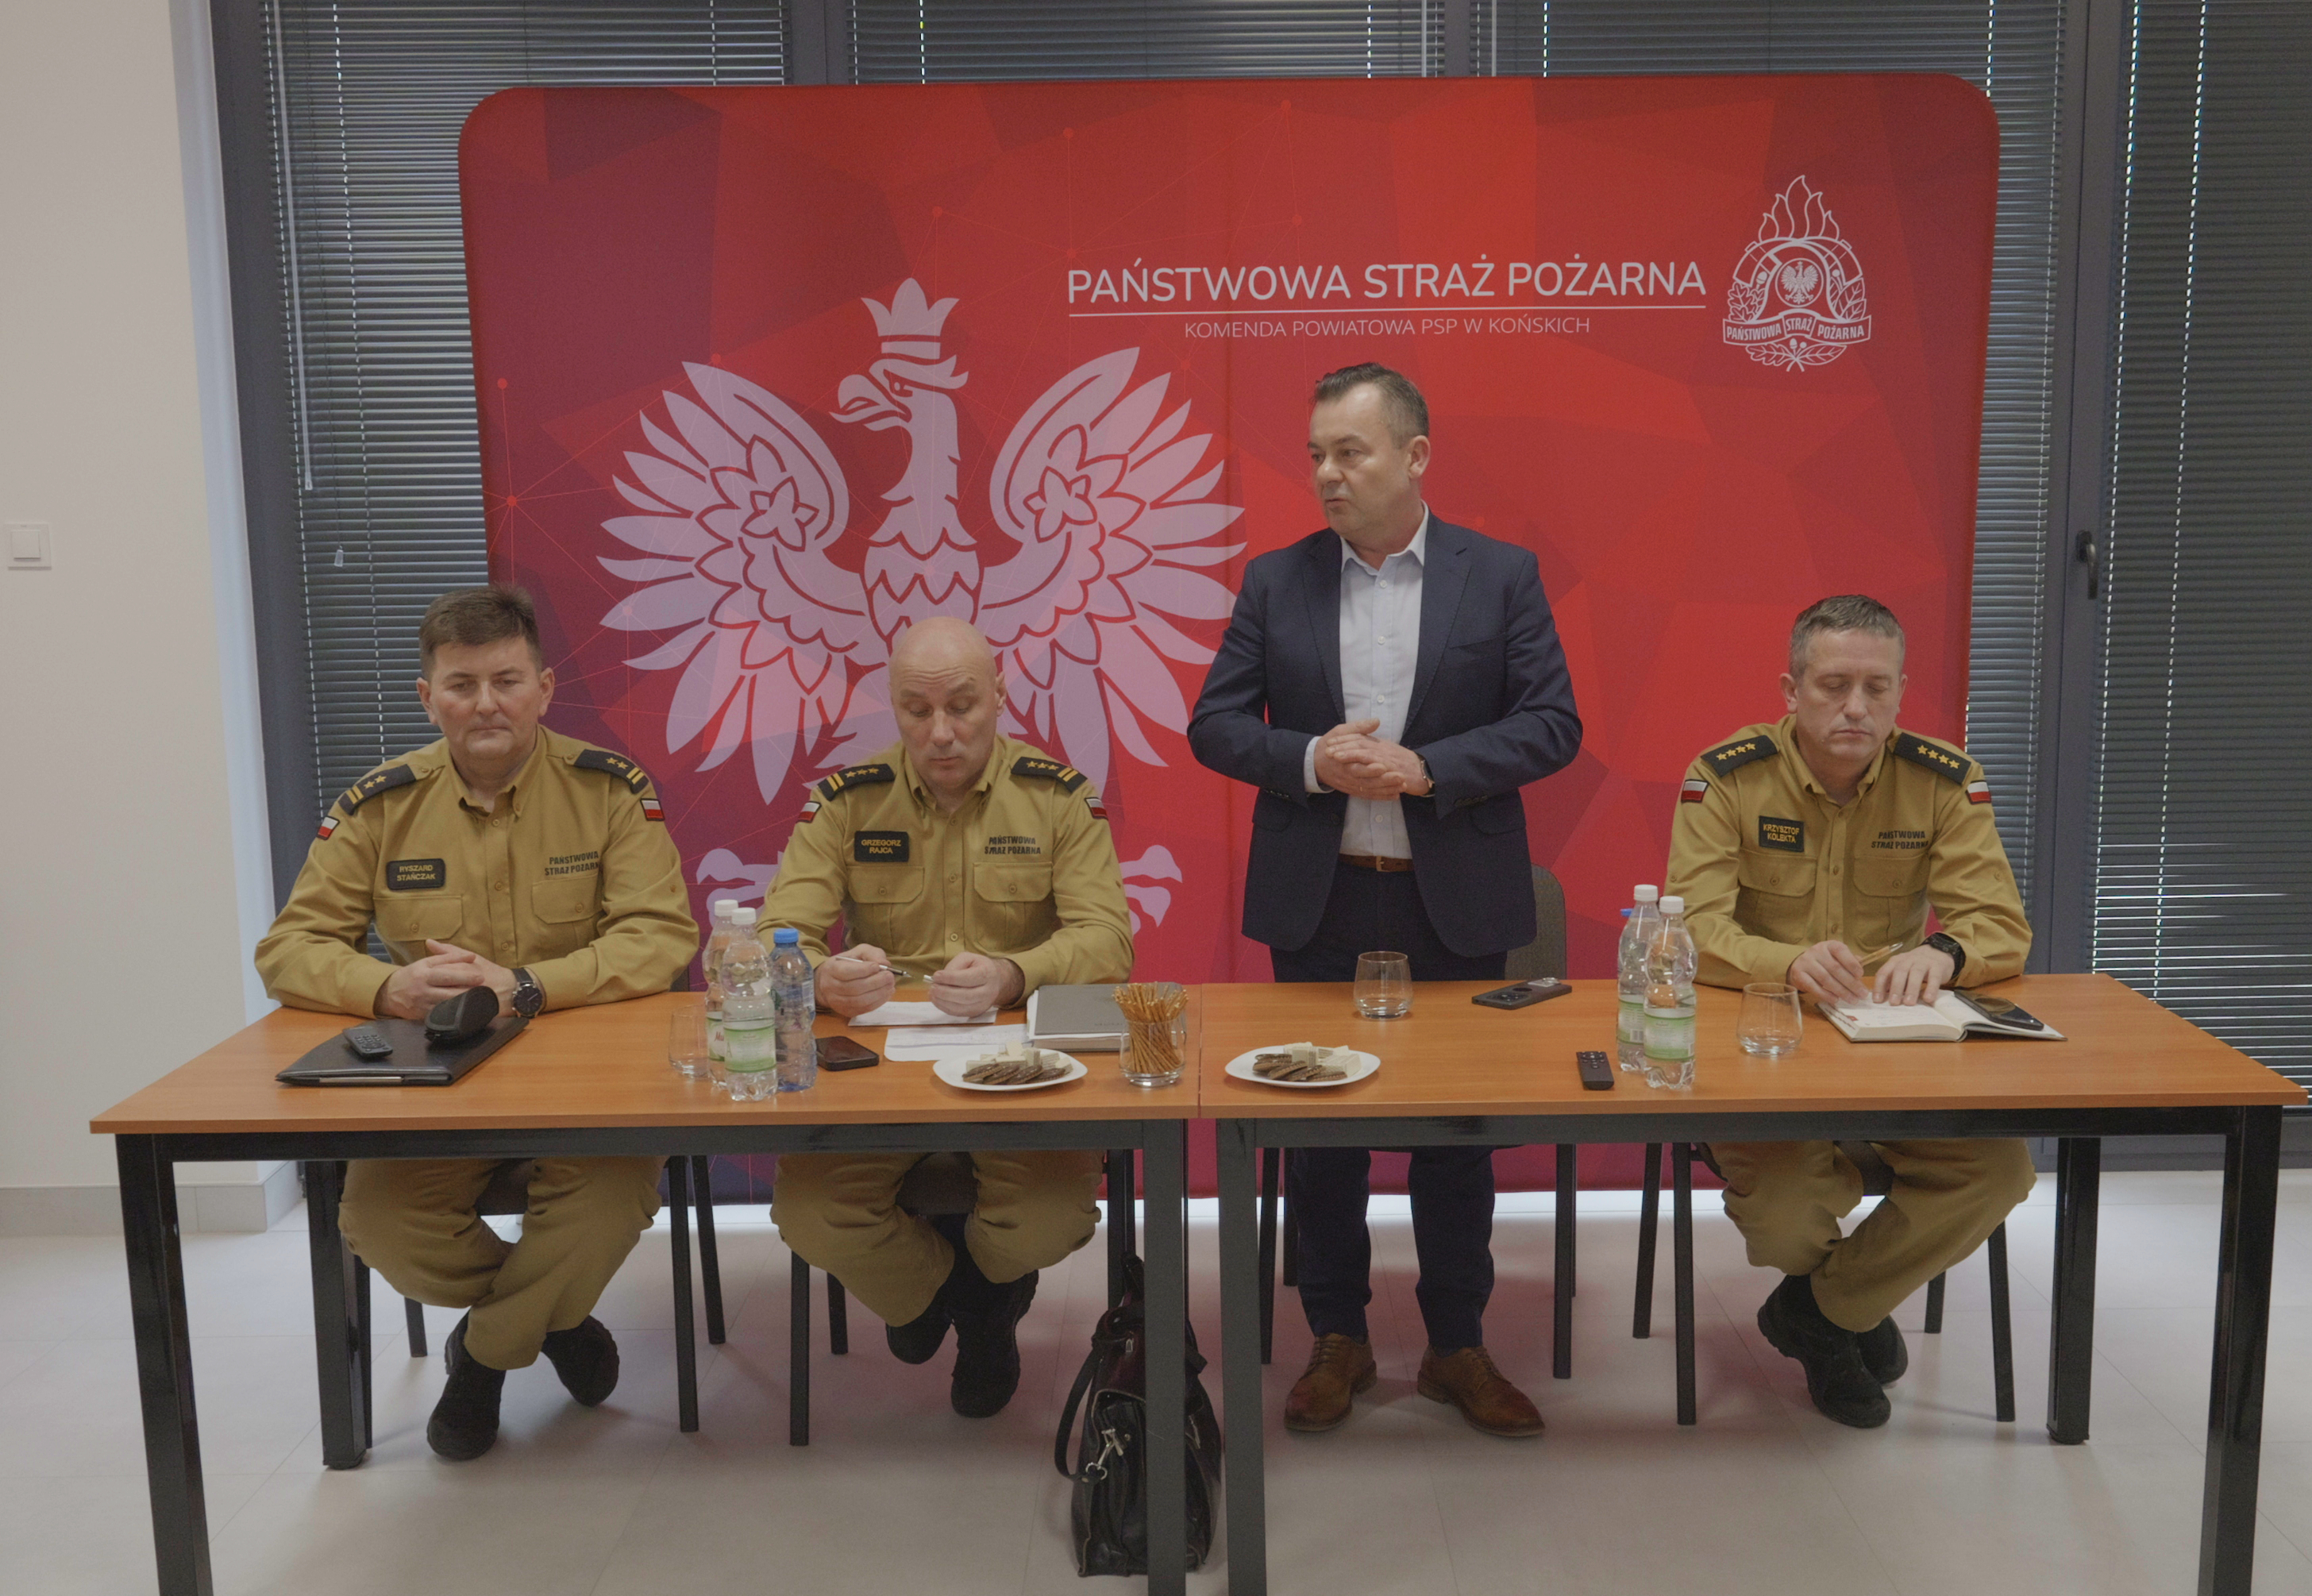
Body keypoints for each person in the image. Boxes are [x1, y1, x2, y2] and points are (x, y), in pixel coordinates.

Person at [1189, 363, 1582, 1439]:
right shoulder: (1277, 581)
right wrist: (1311, 760)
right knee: (1323, 1141)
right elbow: (1215, 725)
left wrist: (1428, 769)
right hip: (1321, 900)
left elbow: (1552, 723)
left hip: (1449, 900)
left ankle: (1457, 1344)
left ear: (1414, 457)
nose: (1327, 473)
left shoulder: (1498, 576)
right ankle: (1338, 1337)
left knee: (1457, 1138)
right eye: (1316, 454)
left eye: (1350, 452)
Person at [255, 585, 697, 1460]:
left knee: (608, 1202)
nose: (486, 703)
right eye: (462, 685)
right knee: (378, 1220)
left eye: (507, 680)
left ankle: (485, 1360)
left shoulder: (609, 791)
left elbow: (660, 937)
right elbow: (288, 949)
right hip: (436, 1089)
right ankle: (555, 1324)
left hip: (589, 1085)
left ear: (544, 687)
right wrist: (387, 987)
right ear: (429, 698)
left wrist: (526, 985)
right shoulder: (381, 806)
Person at [1666, 593, 2036, 1428]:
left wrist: (1946, 953)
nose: (1856, 707)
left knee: (1999, 1171)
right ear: (1791, 690)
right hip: (1765, 1050)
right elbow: (1691, 929)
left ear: (1902, 692)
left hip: (1894, 1052)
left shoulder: (1943, 781)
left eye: (1877, 687)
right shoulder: (1726, 777)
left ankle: (1819, 1316)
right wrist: (1786, 963)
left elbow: (2000, 927)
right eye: (1833, 685)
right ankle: (1847, 1308)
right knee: (1786, 1222)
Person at [759, 616, 1135, 1418]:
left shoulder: (1057, 798)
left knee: (1050, 1218)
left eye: (962, 707)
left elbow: (1108, 940)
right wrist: (820, 976)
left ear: (999, 694)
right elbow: (775, 934)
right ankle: (968, 1304)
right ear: (892, 705)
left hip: (1021, 1064)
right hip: (880, 1070)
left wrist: (1013, 973)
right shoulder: (849, 801)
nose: (940, 733)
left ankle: (974, 1305)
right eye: (917, 710)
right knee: (810, 1214)